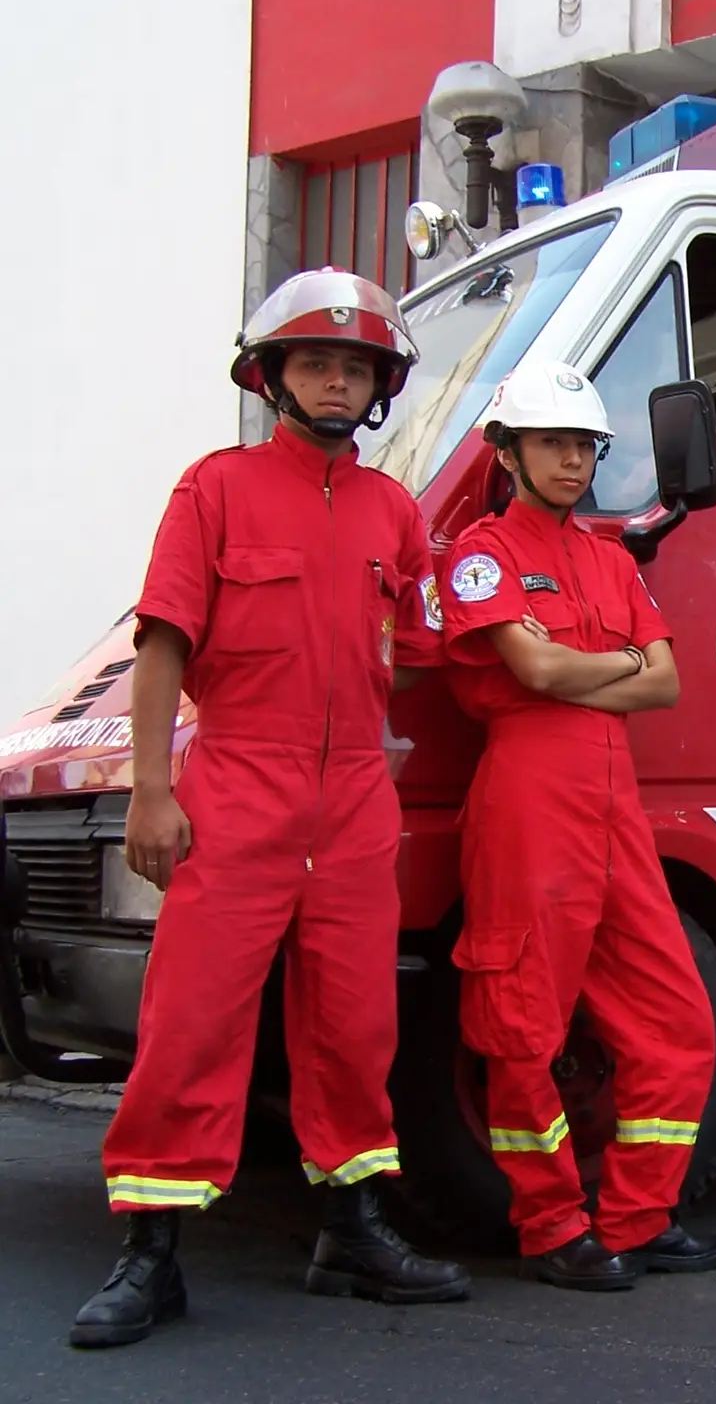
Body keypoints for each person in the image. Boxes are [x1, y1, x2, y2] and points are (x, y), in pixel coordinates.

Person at [71, 268, 470, 1350]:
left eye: (356, 367)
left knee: (355, 1024)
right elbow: (162, 644)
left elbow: (426, 651)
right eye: (316, 362)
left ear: (379, 385)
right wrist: (152, 792)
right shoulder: (215, 489)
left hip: (352, 807)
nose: (337, 382)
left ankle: (351, 1231)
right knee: (193, 1021)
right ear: (272, 375)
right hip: (238, 785)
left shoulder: (396, 511)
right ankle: (149, 1253)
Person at [438, 360, 716, 1290]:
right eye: (553, 443)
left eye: (583, 445)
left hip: (614, 812)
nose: (572, 460)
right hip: (528, 802)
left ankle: (638, 1217)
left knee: (677, 1022)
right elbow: (538, 677)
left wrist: (574, 662)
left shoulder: (607, 558)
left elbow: (670, 683)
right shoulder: (480, 553)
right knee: (523, 1027)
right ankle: (553, 1225)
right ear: (508, 454)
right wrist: (614, 665)